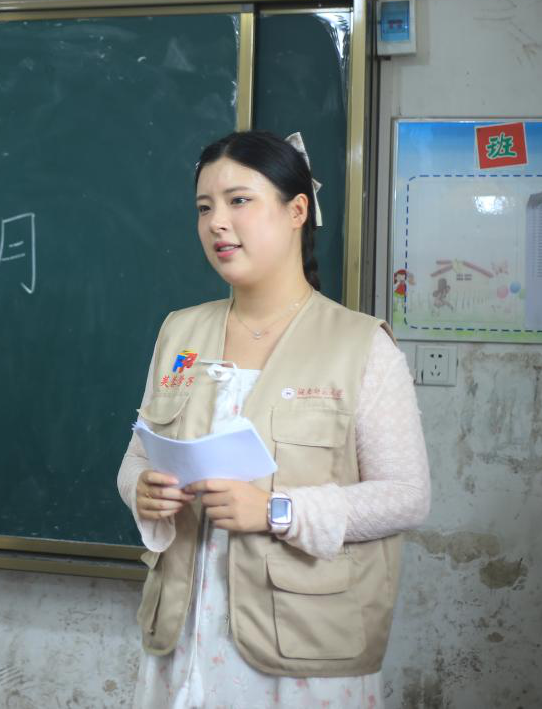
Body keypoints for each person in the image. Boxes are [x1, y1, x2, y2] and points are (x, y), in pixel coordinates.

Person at [117, 130, 430, 708]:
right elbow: (138, 454)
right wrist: (141, 487)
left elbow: (407, 496)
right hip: (183, 636)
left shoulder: (360, 345)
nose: (217, 222)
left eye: (239, 200)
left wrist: (274, 511)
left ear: (296, 210)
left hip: (302, 647)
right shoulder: (180, 331)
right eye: (204, 207)